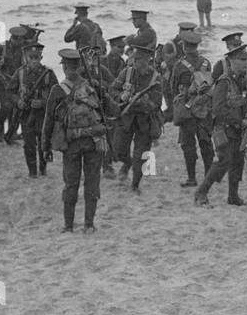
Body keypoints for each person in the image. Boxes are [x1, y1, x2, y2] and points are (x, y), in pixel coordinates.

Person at [44, 49, 109, 232]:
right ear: (79, 67)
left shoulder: (58, 90)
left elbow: (48, 120)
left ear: (64, 67)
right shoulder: (92, 86)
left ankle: (68, 226)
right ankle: (89, 224)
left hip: (71, 143)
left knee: (71, 184)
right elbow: (111, 110)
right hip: (93, 142)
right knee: (92, 183)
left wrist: (45, 146)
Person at [195, 43, 247, 207]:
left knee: (238, 162)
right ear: (232, 61)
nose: (245, 63)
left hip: (238, 130)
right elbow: (218, 110)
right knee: (224, 161)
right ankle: (201, 192)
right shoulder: (224, 82)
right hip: (223, 129)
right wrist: (240, 121)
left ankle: (233, 197)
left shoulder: (243, 81)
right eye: (241, 60)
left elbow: (246, 105)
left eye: (246, 60)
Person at [111, 43, 163, 193]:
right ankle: (127, 164)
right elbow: (113, 90)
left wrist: (143, 102)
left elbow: (157, 103)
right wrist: (121, 96)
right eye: (137, 60)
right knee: (118, 150)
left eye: (143, 60)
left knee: (140, 156)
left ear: (148, 60)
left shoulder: (155, 78)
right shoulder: (126, 73)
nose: (139, 64)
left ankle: (135, 184)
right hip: (126, 118)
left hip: (145, 121)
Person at [171, 30, 214, 186]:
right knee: (206, 142)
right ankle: (209, 175)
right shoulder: (206, 63)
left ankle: (191, 178)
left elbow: (173, 88)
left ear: (184, 46)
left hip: (187, 109)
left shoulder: (179, 65)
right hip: (203, 108)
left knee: (188, 145)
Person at [16, 40, 58, 177]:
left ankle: (43, 168)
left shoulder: (48, 74)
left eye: (36, 57)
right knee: (28, 144)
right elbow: (9, 91)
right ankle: (32, 171)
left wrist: (43, 102)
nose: (34, 61)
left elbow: (57, 95)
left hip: (42, 115)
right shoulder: (20, 73)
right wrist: (18, 102)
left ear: (41, 58)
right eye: (31, 57)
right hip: (26, 114)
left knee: (43, 143)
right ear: (26, 58)